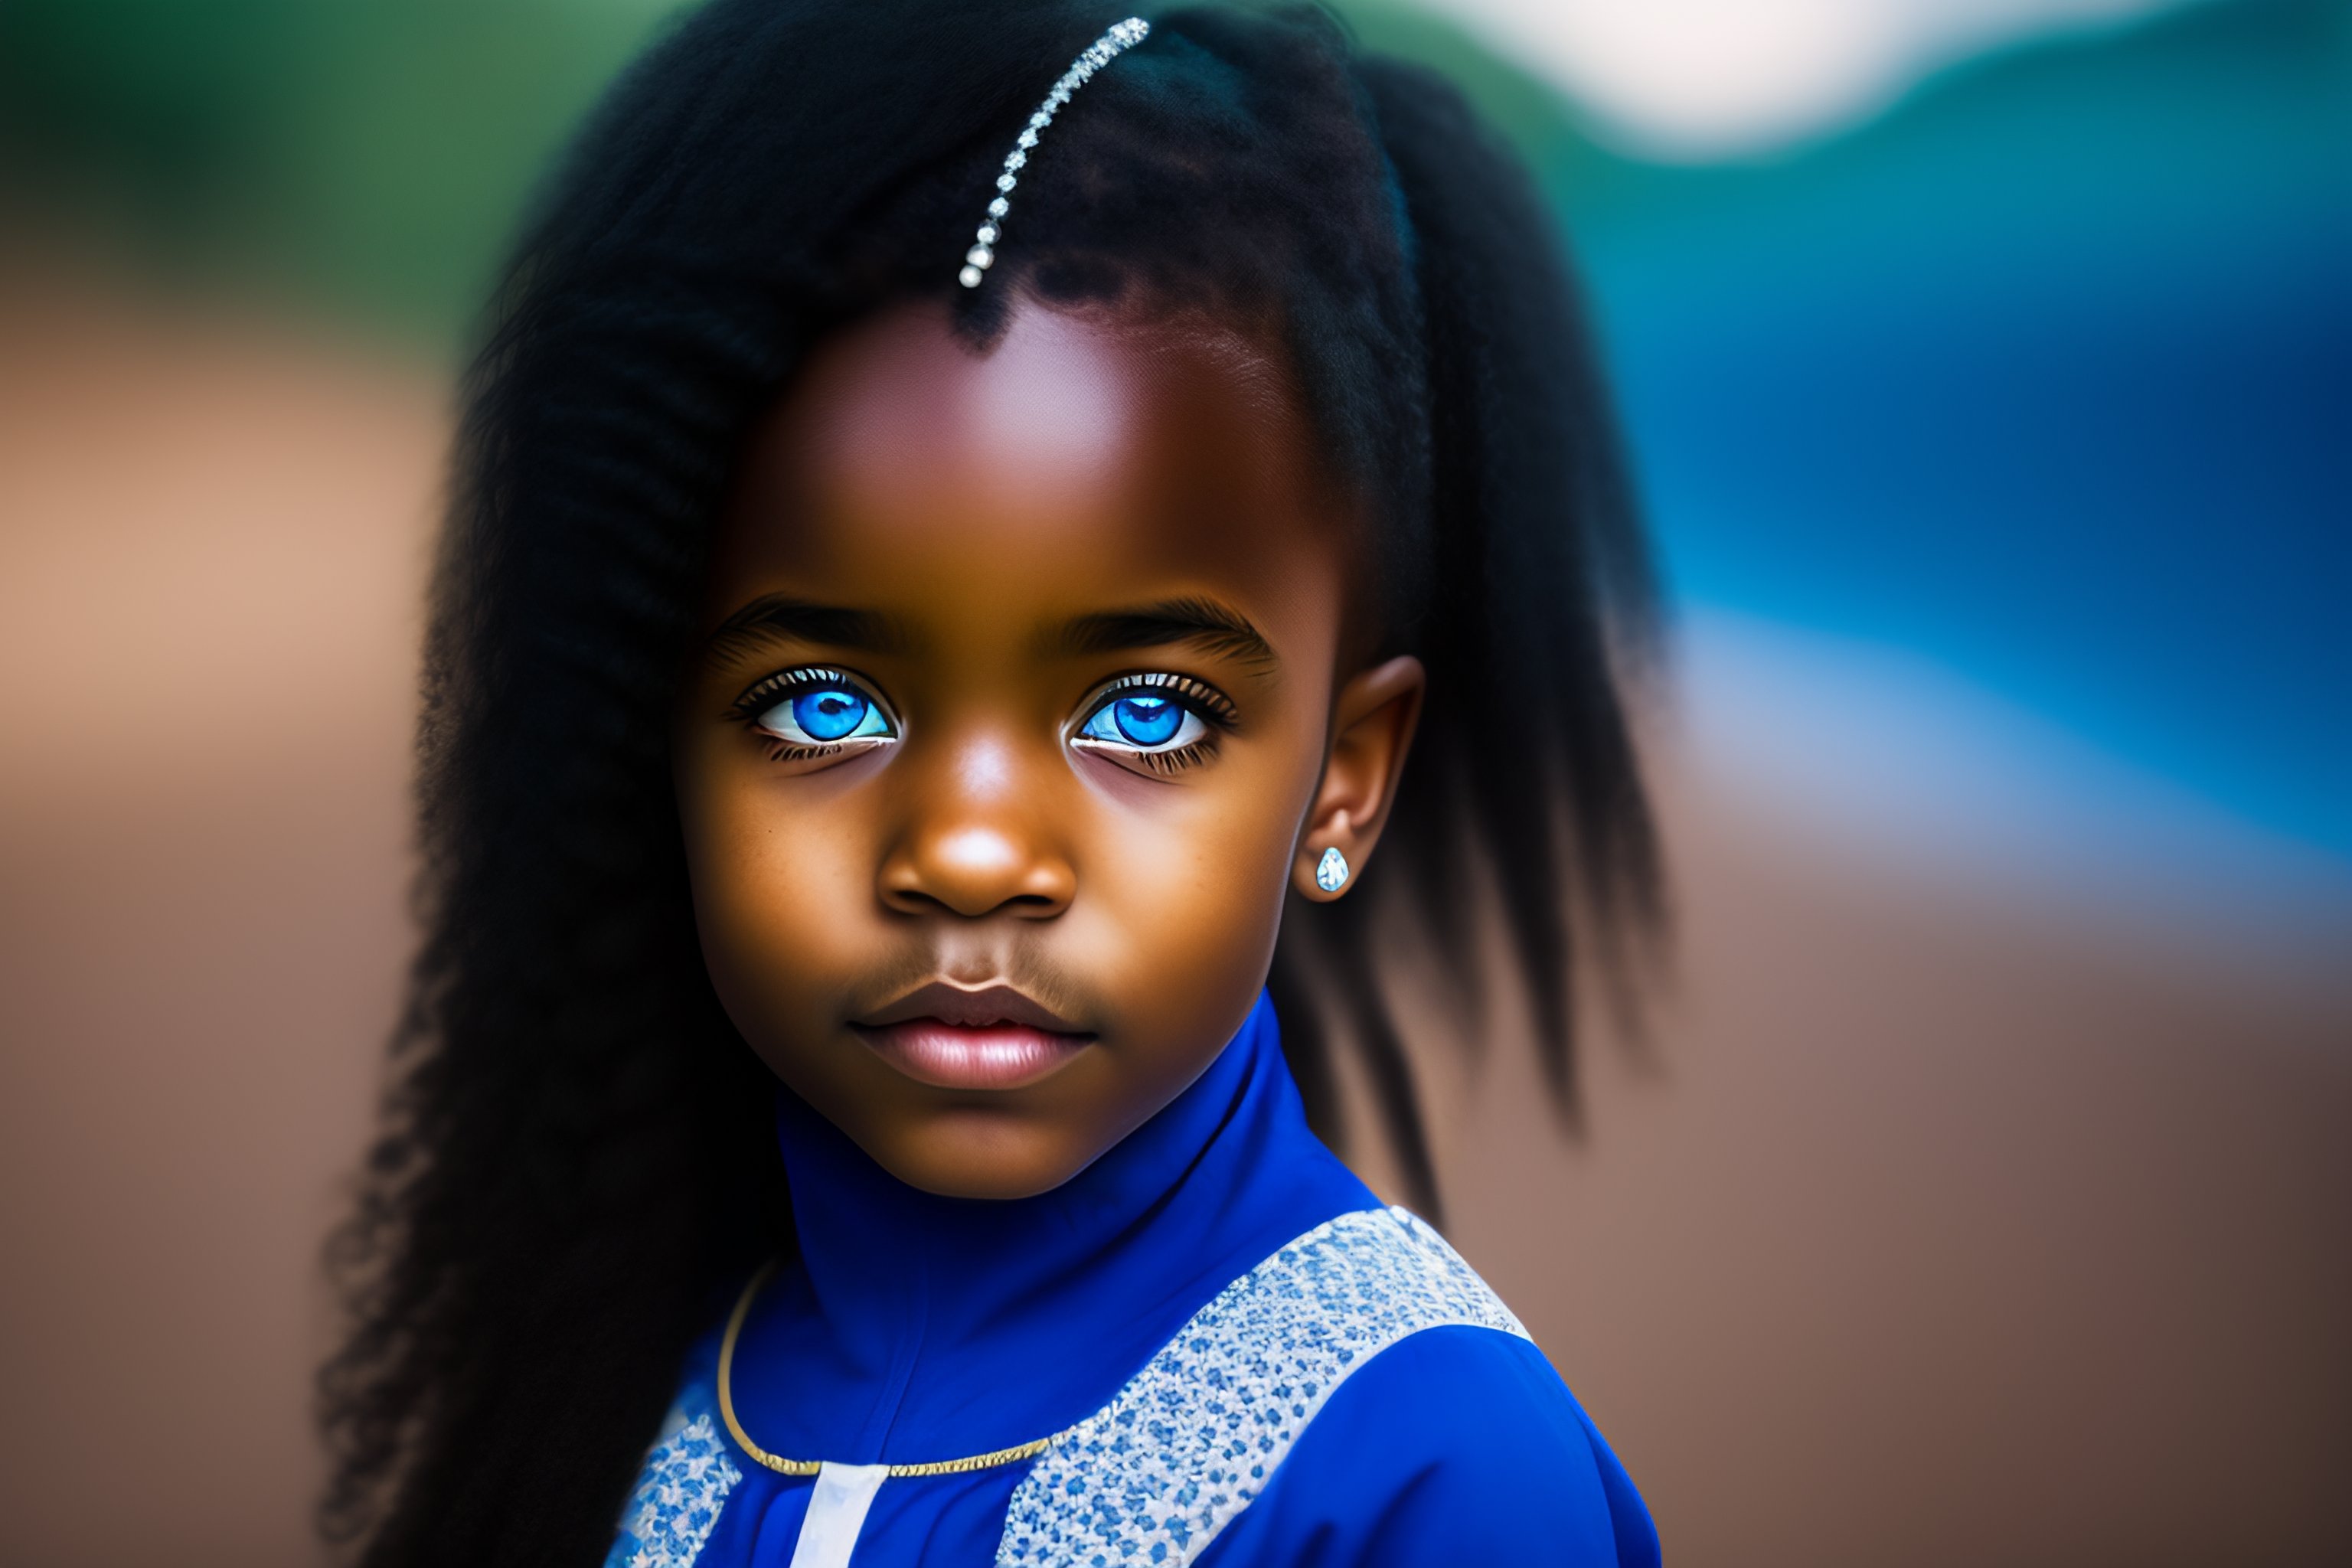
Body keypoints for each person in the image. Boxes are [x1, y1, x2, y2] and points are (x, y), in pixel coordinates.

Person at [320, 3, 1665, 1564]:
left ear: (1342, 784)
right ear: (661, 744)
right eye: (823, 703)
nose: (968, 850)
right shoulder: (627, 1397)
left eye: (1147, 719)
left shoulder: (1433, 1477)